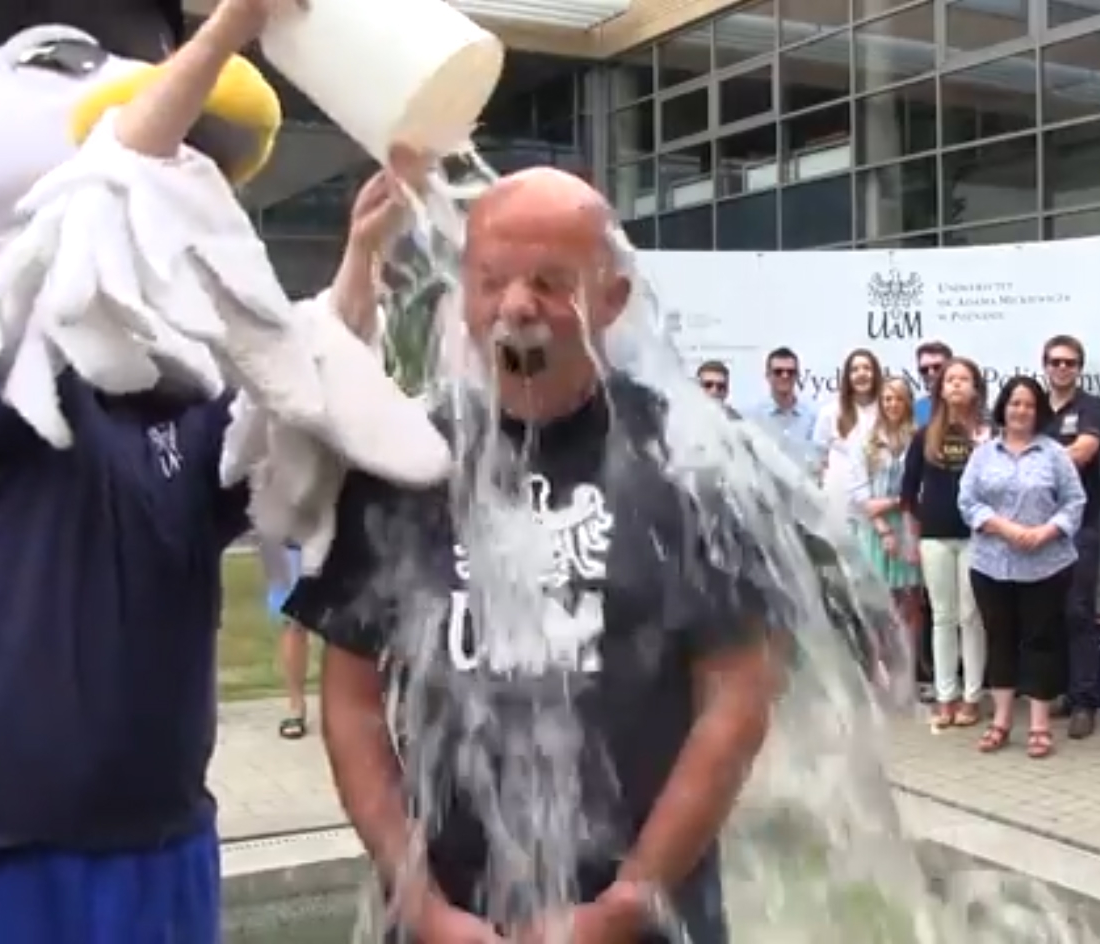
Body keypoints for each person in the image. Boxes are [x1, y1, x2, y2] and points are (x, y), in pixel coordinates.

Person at [0, 0, 434, 939]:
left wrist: (362, 256)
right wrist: (229, 29)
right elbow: (98, 200)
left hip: (154, 842)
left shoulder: (181, 400)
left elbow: (293, 397)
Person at [285, 167, 784, 944]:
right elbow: (350, 700)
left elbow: (738, 697)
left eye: (551, 283)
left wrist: (629, 901)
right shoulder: (403, 461)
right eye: (492, 281)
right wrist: (418, 902)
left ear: (611, 298)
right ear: (464, 296)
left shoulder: (692, 466)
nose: (517, 306)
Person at [958, 376, 1086, 760]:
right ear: (1004, 407)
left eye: (1029, 404)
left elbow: (1075, 502)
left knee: (1041, 642)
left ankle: (1040, 725)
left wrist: (1047, 531)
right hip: (991, 564)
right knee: (1000, 640)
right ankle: (1000, 721)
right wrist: (1005, 528)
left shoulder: (1054, 454)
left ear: (1039, 411)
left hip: (1045, 565)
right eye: (1015, 403)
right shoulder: (983, 454)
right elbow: (967, 502)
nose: (1021, 411)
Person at [902, 357, 990, 730]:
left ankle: (972, 697)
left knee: (972, 618)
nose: (955, 385)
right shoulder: (924, 435)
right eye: (949, 379)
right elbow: (908, 491)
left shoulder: (987, 435)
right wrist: (911, 537)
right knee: (942, 617)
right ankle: (945, 696)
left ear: (975, 388)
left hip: (977, 536)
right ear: (940, 389)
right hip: (935, 536)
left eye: (963, 379)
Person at [1040, 334, 1100, 740]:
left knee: (1078, 611)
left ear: (1079, 368)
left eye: (1070, 362)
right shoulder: (1033, 408)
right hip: (1035, 527)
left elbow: (1083, 452)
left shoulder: (1092, 407)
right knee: (1046, 615)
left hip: (1079, 525)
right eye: (1055, 362)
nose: (1062, 368)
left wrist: (1032, 457)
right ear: (1045, 366)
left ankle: (1085, 701)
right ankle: (1060, 693)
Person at [847, 378, 924, 693]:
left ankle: (909, 675)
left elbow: (919, 487)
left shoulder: (917, 438)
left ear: (908, 403)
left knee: (910, 603)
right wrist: (884, 525)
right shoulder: (863, 439)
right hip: (874, 530)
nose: (892, 404)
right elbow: (859, 492)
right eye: (887, 399)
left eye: (899, 399)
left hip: (909, 524)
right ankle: (879, 676)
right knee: (877, 606)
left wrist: (898, 506)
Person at [812, 348, 883, 505]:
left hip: (879, 500)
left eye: (867, 368)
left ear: (876, 374)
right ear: (847, 377)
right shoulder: (830, 412)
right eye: (855, 370)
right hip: (839, 501)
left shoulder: (887, 411)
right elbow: (818, 459)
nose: (861, 374)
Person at [261, 539, 311, 739]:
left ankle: (347, 702)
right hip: (286, 536)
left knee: (345, 620)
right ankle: (296, 705)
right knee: (292, 619)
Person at [746, 346, 818, 469]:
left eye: (790, 372)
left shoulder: (812, 417)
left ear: (797, 376)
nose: (785, 376)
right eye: (778, 372)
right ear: (768, 375)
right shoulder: (753, 418)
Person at [912, 340, 953, 427]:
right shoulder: (915, 409)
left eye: (937, 367)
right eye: (924, 370)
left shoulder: (967, 406)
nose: (930, 373)